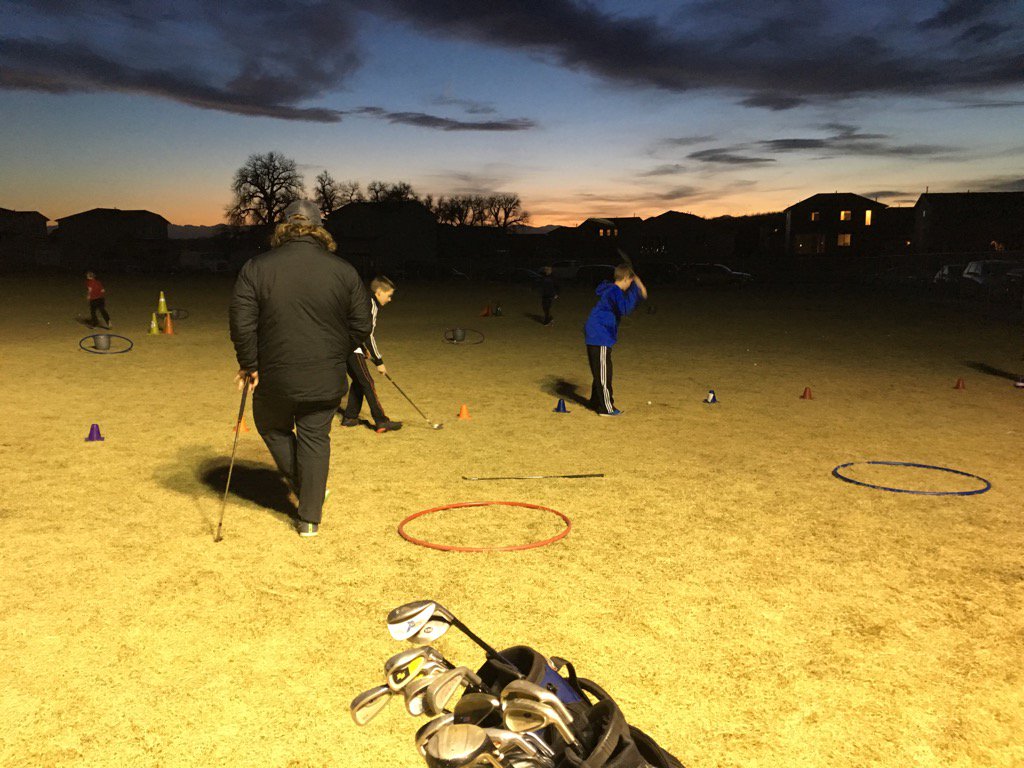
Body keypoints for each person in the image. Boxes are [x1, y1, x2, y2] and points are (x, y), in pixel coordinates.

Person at [229, 200, 372, 538]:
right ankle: (309, 516)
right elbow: (362, 325)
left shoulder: (256, 267)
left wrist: (250, 364)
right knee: (315, 438)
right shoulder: (344, 270)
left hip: (275, 373)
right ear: (319, 228)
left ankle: (308, 497)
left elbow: (242, 323)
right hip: (325, 375)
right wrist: (334, 352)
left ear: (284, 227)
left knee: (271, 425)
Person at [340, 275, 402, 433]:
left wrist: (365, 350)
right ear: (379, 292)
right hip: (350, 347)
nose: (389, 299)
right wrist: (379, 361)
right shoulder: (371, 305)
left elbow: (355, 327)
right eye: (389, 295)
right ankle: (381, 421)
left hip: (342, 346)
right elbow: (368, 334)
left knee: (359, 380)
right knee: (368, 382)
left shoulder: (362, 301)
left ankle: (350, 417)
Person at [583, 264, 647, 416]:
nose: (629, 285)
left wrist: (636, 289)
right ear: (625, 278)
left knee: (600, 371)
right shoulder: (615, 291)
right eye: (629, 282)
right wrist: (637, 290)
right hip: (600, 335)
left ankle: (596, 401)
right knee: (605, 372)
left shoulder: (610, 290)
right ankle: (606, 407)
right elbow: (625, 308)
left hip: (596, 333)